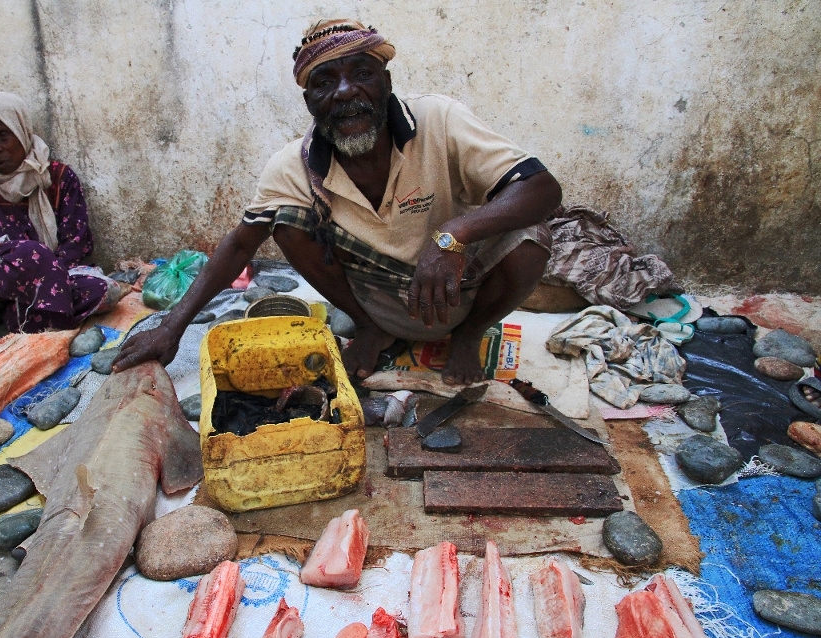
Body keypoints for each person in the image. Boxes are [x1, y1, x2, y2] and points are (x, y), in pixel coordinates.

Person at [113, 19, 562, 384]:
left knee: (530, 236)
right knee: (284, 220)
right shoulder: (292, 166)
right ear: (310, 101)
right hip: (383, 299)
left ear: (385, 82)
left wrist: (453, 236)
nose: (346, 92)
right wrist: (170, 326)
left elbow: (543, 188)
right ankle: (369, 329)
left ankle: (467, 336)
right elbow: (239, 246)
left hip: (457, 281)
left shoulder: (439, 119)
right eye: (325, 82)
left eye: (362, 74)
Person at [0, 92, 120, 343]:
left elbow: (75, 244)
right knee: (30, 253)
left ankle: (3, 313)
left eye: (3, 136)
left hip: (54, 274)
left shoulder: (58, 177)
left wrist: (44, 274)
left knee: (103, 290)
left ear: (21, 130)